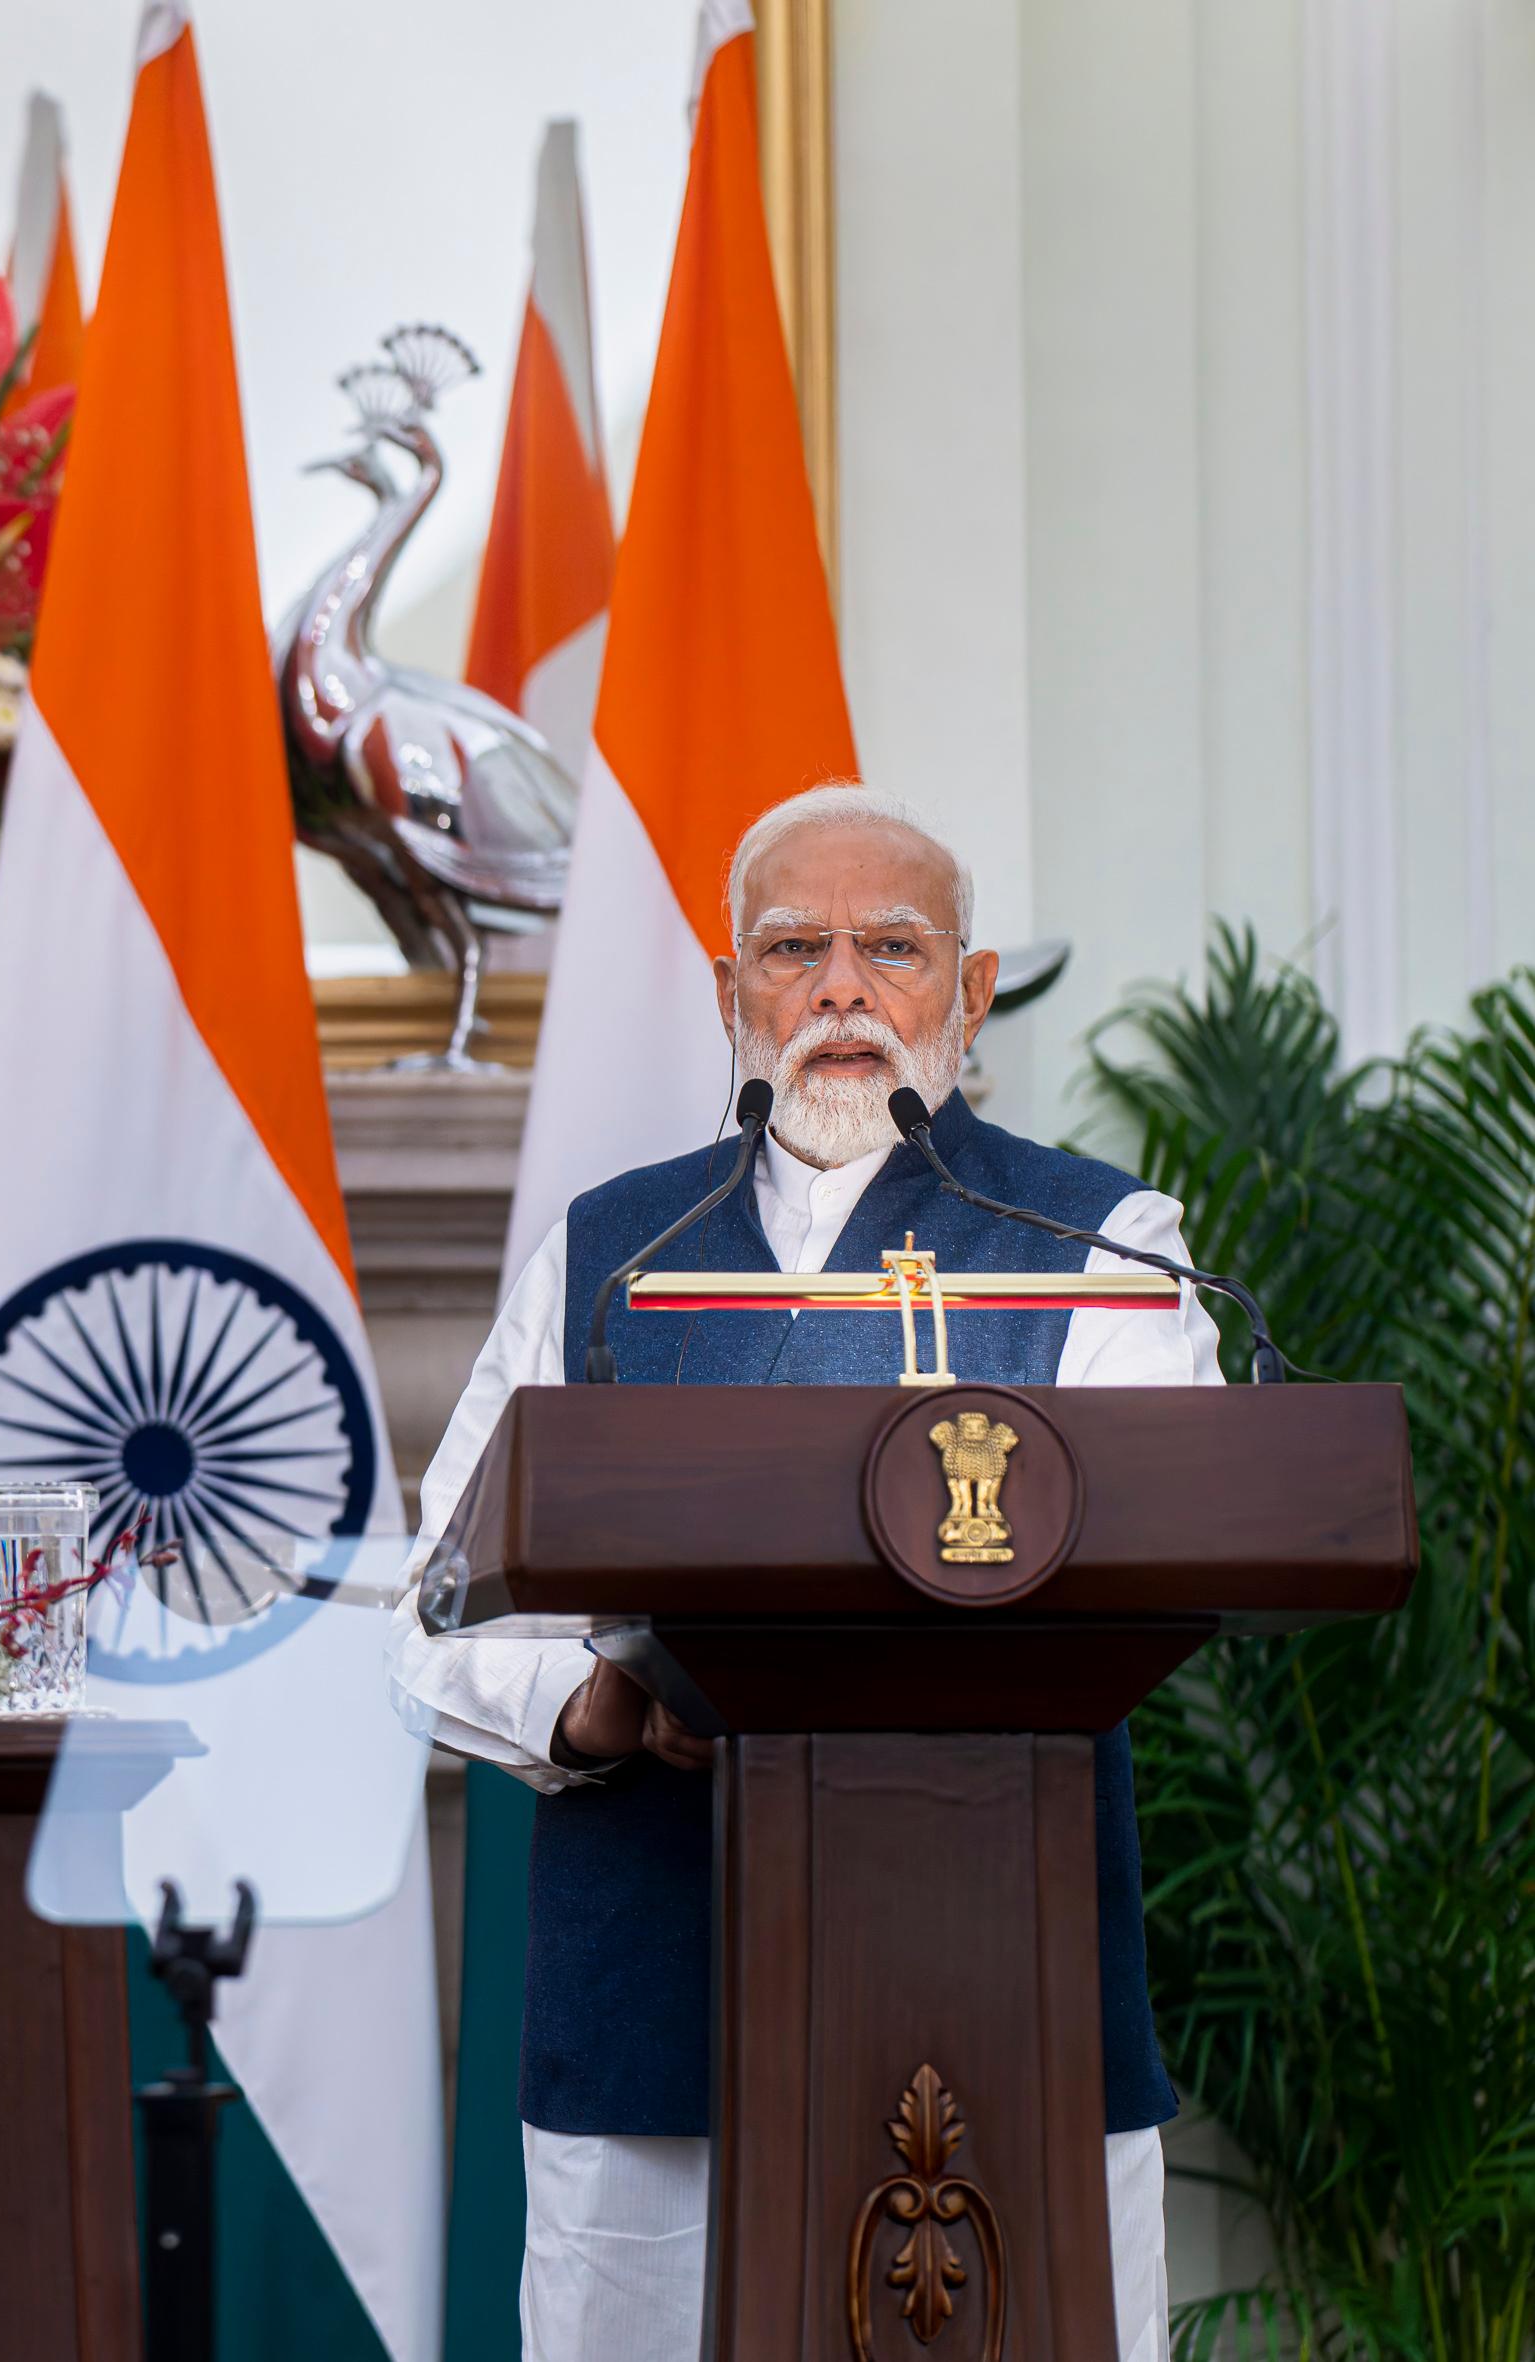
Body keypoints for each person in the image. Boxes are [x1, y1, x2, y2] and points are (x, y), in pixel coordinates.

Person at [397, 785, 1212, 2362]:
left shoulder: (1101, 1241)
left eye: (892, 945)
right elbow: (436, 1609)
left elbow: (1162, 1548)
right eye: (793, 948)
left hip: (1006, 1978)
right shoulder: (607, 1248)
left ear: (969, 994)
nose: (842, 988)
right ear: (731, 995)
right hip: (657, 1995)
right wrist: (596, 1707)